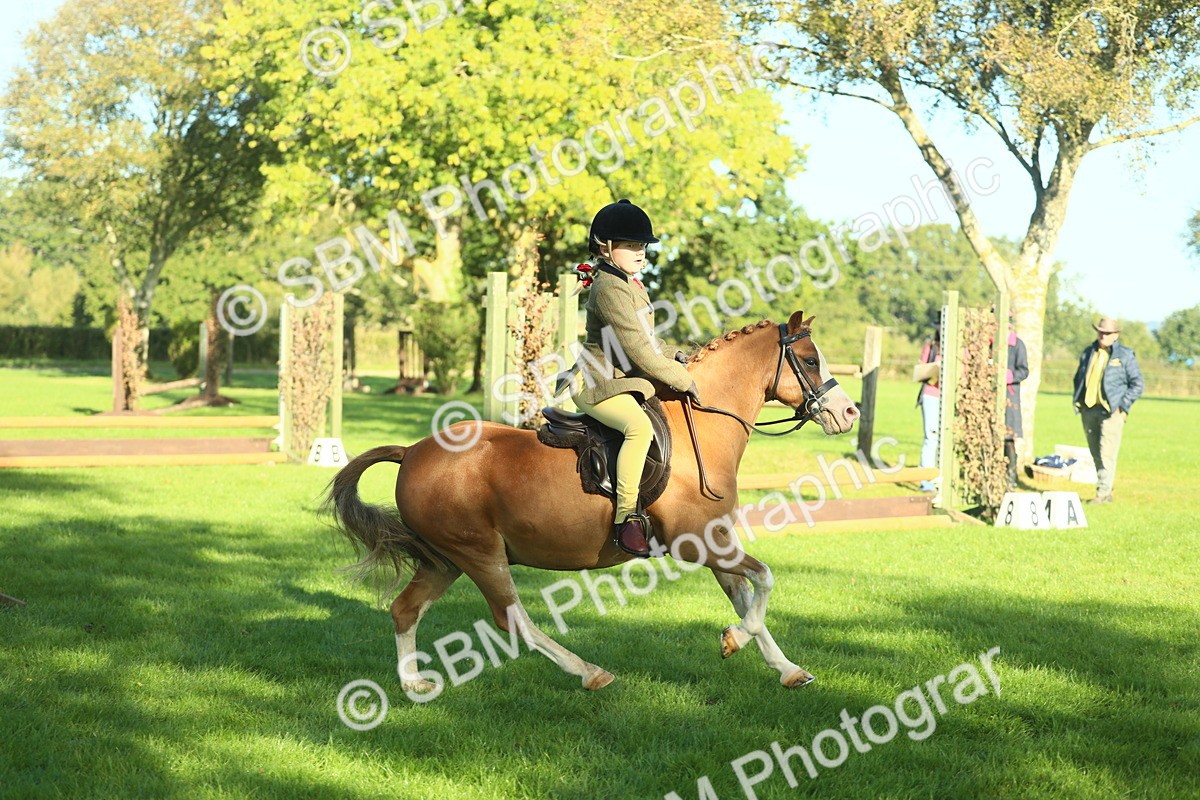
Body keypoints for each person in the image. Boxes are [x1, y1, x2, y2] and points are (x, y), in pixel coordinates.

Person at [570, 199, 698, 557]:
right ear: (605, 247)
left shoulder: (631, 285)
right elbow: (638, 353)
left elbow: (647, 340)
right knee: (639, 428)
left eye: (643, 246)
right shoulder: (608, 288)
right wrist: (683, 379)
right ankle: (626, 518)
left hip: (621, 380)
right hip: (597, 384)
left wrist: (677, 356)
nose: (641, 253)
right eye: (631, 246)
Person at [1072, 316, 1144, 503]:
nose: (1103, 335)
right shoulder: (1088, 352)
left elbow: (1137, 384)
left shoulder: (1125, 355)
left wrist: (1122, 406)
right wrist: (1078, 399)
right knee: (1095, 452)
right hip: (1088, 409)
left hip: (1111, 411)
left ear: (1116, 334)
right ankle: (1106, 490)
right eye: (1101, 331)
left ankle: (1102, 493)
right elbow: (1078, 378)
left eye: (1107, 333)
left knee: (1107, 453)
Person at [914, 323, 941, 493]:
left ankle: (939, 476)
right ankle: (926, 481)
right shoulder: (930, 347)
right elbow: (919, 371)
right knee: (930, 437)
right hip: (931, 394)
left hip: (949, 396)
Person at [1004, 321, 1029, 488]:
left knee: (1008, 438)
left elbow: (1024, 370)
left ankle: (1011, 478)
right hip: (991, 398)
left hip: (1009, 399)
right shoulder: (987, 343)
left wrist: (1009, 377)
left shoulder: (1017, 344)